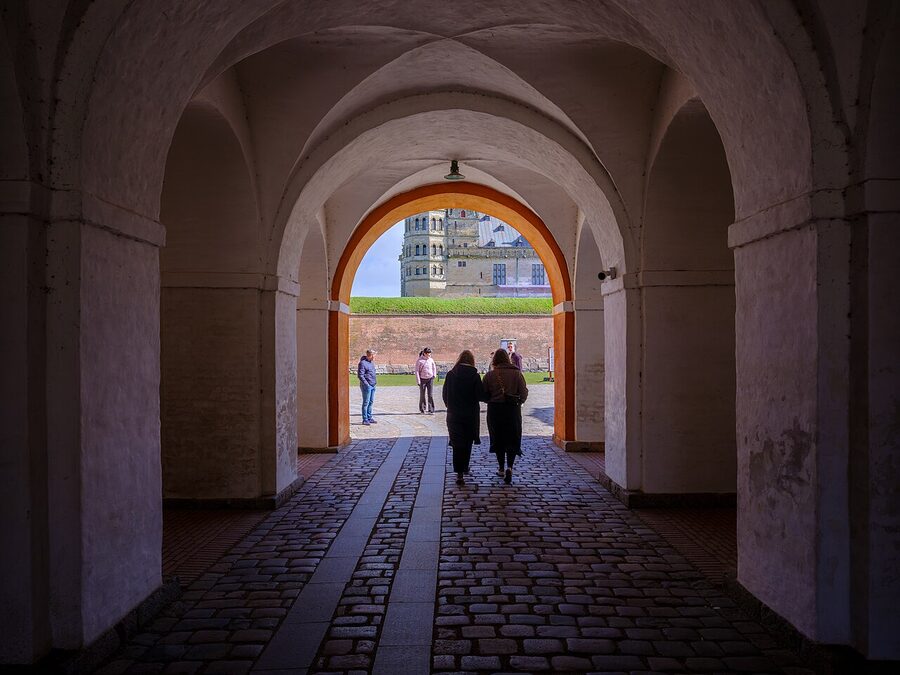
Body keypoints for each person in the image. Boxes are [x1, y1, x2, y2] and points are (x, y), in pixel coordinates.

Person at [482, 348, 529, 484]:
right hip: (512, 410)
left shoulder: (490, 375)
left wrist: (491, 399)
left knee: (498, 438)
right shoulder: (517, 374)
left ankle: (501, 467)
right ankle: (510, 466)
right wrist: (519, 402)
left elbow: (484, 394)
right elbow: (524, 392)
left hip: (495, 410)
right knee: (512, 438)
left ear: (494, 359)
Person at [442, 350, 484, 485]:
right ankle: (465, 466)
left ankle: (459, 473)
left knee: (457, 443)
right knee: (467, 442)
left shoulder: (451, 375)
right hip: (470, 414)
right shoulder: (475, 376)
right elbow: (480, 396)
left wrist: (450, 406)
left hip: (454, 414)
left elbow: (445, 395)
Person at [357, 348, 377, 425]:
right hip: (366, 386)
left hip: (373, 385)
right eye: (374, 355)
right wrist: (367, 384)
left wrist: (374, 383)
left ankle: (369, 417)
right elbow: (360, 375)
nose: (374, 357)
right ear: (370, 355)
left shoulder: (371, 363)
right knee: (366, 402)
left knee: (371, 402)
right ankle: (365, 419)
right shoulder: (362, 363)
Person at [415, 347, 437, 414]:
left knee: (430, 394)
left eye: (430, 354)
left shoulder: (431, 360)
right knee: (422, 395)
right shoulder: (419, 360)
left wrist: (434, 375)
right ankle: (422, 408)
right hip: (422, 379)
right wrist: (418, 381)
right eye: (428, 354)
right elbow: (417, 371)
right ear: (424, 353)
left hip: (430, 379)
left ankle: (431, 409)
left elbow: (434, 367)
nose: (429, 356)